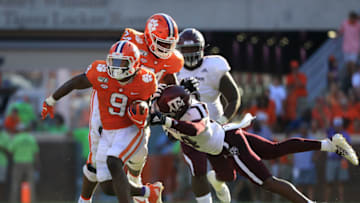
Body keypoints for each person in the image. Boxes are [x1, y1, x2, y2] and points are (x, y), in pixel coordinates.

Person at [43, 13, 189, 203]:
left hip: (137, 106)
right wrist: (52, 99)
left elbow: (170, 86)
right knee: (98, 160)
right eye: (162, 43)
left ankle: (138, 187)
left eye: (170, 44)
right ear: (149, 37)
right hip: (109, 103)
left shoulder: (170, 62)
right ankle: (90, 199)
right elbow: (106, 69)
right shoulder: (131, 44)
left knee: (137, 154)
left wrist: (175, 107)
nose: (166, 49)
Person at [149, 85, 359, 203]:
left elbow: (195, 129)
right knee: (265, 154)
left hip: (228, 144)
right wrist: (156, 102)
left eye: (167, 111)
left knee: (267, 181)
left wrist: (168, 120)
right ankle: (328, 144)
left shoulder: (194, 111)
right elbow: (172, 128)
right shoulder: (173, 116)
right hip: (215, 148)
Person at [41, 40, 161, 203]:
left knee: (113, 161)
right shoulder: (100, 72)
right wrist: (51, 100)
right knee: (107, 185)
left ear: (134, 64)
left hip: (131, 128)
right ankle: (148, 192)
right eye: (114, 62)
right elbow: (76, 82)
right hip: (108, 130)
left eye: (122, 63)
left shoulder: (146, 79)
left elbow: (157, 103)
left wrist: (147, 112)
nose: (117, 67)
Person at [176, 28, 241, 203]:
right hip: (190, 129)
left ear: (202, 49)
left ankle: (218, 183)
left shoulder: (214, 66)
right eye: (186, 50)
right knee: (198, 170)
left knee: (227, 174)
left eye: (193, 49)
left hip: (214, 127)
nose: (189, 54)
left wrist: (222, 121)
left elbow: (234, 98)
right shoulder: (173, 71)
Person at [9, 125, 40, 203]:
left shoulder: (16, 138)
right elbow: (36, 153)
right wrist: (37, 164)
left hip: (18, 162)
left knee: (15, 183)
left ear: (19, 130)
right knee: (31, 183)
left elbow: (11, 151)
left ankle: (14, 201)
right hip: (29, 162)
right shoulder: (31, 138)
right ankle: (31, 200)